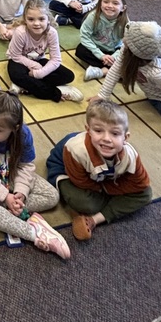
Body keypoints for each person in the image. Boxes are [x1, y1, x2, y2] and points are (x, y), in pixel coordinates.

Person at [0, 91, 69, 258]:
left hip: (10, 173)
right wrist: (5, 196)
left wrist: (21, 194)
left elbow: (26, 165)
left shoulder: (23, 134)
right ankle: (35, 233)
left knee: (52, 196)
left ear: (14, 128)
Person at [46, 100, 152, 240]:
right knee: (86, 204)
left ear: (125, 137)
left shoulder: (130, 156)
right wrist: (115, 191)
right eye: (98, 131)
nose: (106, 139)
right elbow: (81, 182)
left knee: (146, 194)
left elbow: (141, 183)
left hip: (101, 178)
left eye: (115, 133)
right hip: (65, 169)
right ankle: (96, 207)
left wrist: (97, 215)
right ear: (88, 130)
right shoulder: (76, 150)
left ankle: (95, 219)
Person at [6, 0, 81, 102]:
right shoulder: (20, 32)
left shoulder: (52, 33)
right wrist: (36, 67)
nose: (36, 23)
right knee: (17, 75)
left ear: (48, 19)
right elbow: (15, 56)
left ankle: (24, 86)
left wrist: (40, 73)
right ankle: (56, 92)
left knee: (68, 76)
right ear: (25, 20)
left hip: (39, 60)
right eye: (31, 19)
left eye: (41, 19)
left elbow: (56, 60)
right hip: (19, 61)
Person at [77, 0, 128, 81]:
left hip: (114, 51)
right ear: (100, 4)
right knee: (80, 50)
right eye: (106, 2)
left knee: (130, 55)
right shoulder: (93, 16)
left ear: (123, 8)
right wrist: (101, 55)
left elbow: (126, 43)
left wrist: (114, 56)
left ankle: (102, 71)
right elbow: (84, 36)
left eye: (115, 3)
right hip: (97, 49)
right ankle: (114, 71)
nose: (110, 6)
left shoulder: (126, 22)